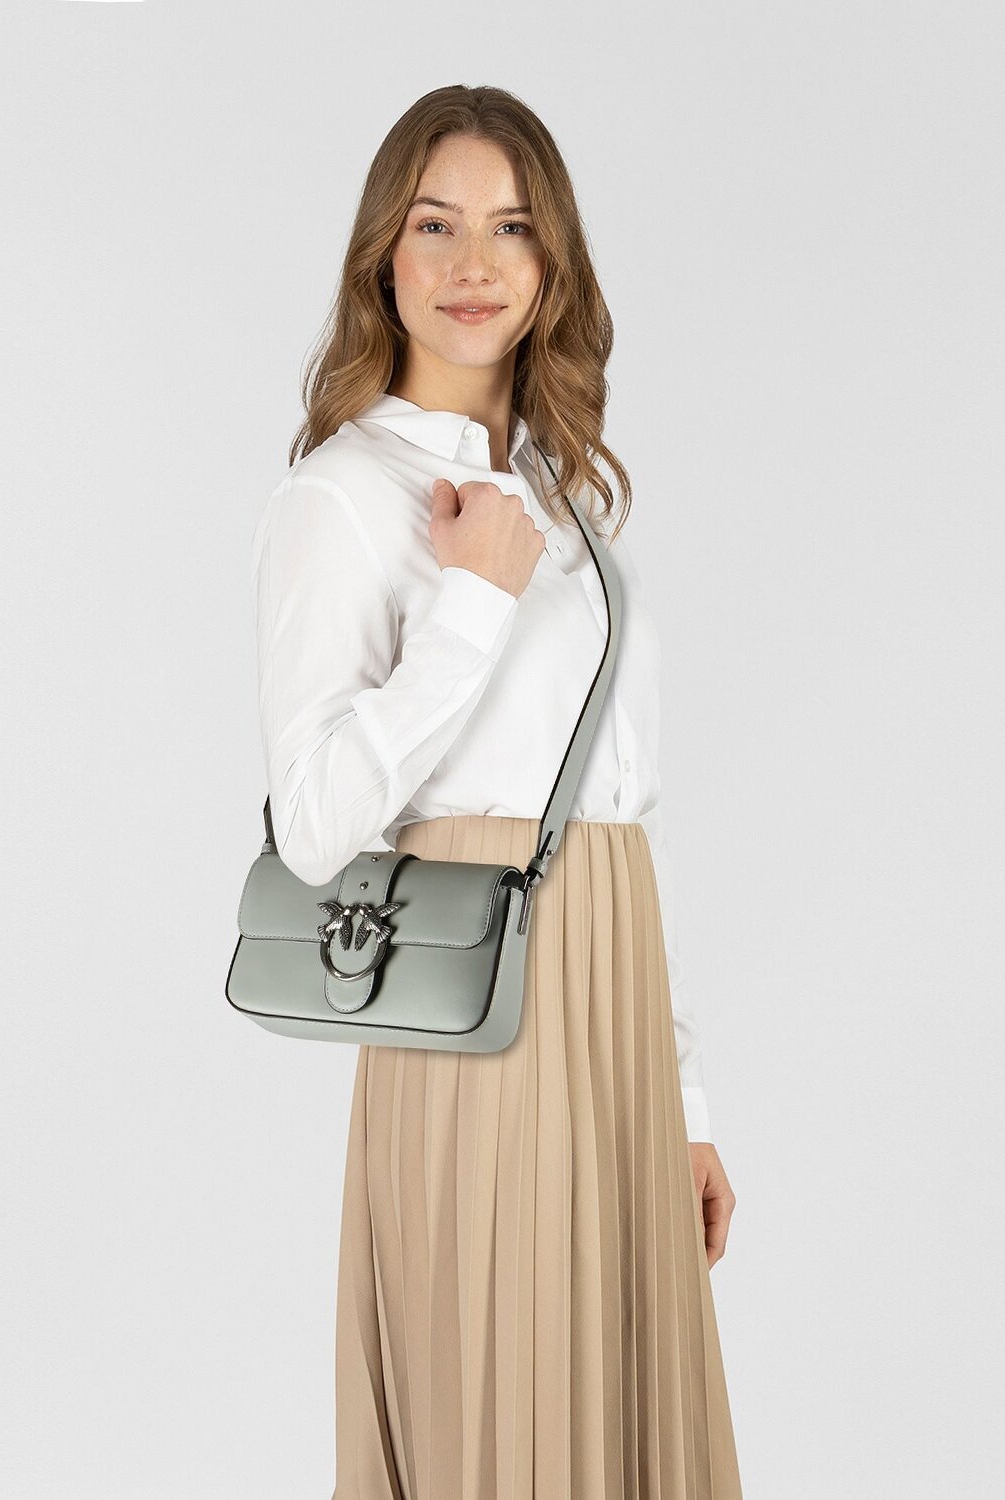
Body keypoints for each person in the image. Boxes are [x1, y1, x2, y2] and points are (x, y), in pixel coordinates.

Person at [249, 83, 743, 1500]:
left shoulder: (569, 498)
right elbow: (315, 824)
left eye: (512, 228)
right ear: (383, 255)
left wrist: (682, 1094)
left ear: (552, 261)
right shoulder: (344, 495)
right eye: (437, 225)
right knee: (501, 1425)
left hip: (610, 998)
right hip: (475, 1013)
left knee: (623, 1429)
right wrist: (469, 603)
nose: (474, 264)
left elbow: (618, 805)